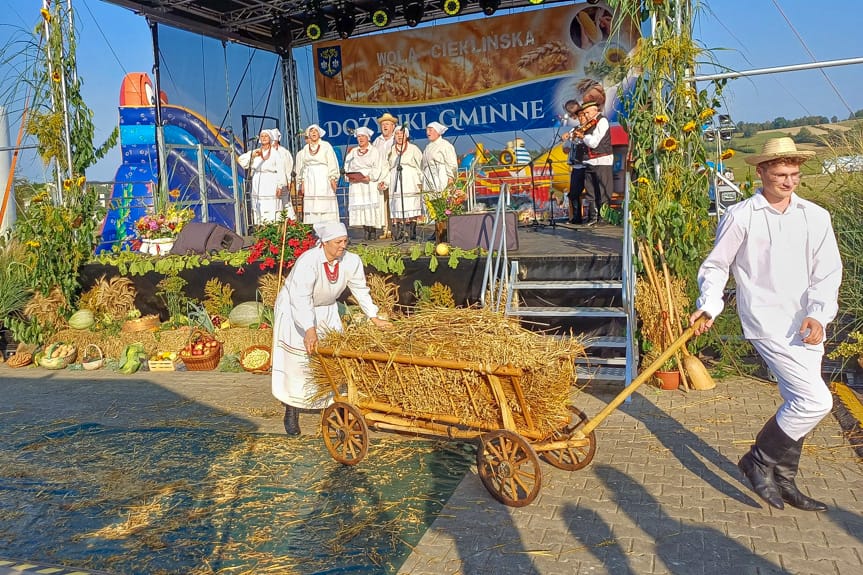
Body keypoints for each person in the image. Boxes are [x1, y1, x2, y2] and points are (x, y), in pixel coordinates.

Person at [689, 137, 842, 512]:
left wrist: (819, 313)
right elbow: (716, 266)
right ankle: (758, 461)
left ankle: (785, 479)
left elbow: (828, 272)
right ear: (760, 173)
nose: (788, 182)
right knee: (816, 400)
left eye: (794, 175)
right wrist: (709, 305)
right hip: (767, 321)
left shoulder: (815, 216)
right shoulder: (742, 216)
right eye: (780, 175)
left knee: (798, 401)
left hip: (807, 325)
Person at [271, 221, 392, 435]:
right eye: (338, 242)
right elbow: (301, 298)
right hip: (295, 310)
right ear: (325, 243)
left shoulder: (351, 261)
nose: (342, 246)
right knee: (300, 361)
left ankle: (335, 410)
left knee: (333, 359)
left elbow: (360, 289)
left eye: (345, 241)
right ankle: (292, 409)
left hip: (326, 309)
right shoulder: (308, 261)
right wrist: (309, 329)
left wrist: (374, 316)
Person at [237, 129, 295, 225]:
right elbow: (241, 161)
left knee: (271, 206)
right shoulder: (255, 152)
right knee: (260, 206)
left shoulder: (275, 153)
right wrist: (252, 156)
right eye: (262, 136)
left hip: (271, 180)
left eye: (266, 136)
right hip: (258, 181)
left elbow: (280, 170)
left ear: (270, 138)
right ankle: (261, 227)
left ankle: (273, 228)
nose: (263, 138)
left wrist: (280, 186)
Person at [344, 126, 387, 241]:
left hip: (369, 183)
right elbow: (346, 167)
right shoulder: (353, 152)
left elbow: (378, 167)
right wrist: (349, 176)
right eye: (358, 137)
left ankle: (372, 231)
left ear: (368, 137)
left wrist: (370, 177)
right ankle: (365, 230)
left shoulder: (374, 151)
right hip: (357, 184)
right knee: (361, 206)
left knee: (370, 205)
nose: (360, 139)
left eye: (363, 136)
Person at [383, 126, 423, 241]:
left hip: (410, 178)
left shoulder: (414, 149)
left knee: (410, 202)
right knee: (397, 203)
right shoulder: (391, 150)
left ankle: (412, 230)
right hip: (395, 178)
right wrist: (385, 181)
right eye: (397, 134)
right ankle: (399, 229)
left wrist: (420, 181)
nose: (400, 136)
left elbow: (420, 165)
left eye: (402, 134)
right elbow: (387, 167)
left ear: (407, 136)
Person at [576, 100, 612, 226]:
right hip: (589, 161)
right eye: (584, 113)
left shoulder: (602, 121)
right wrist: (574, 137)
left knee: (603, 190)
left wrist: (582, 136)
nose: (585, 116)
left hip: (602, 160)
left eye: (587, 113)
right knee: (590, 191)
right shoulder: (587, 124)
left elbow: (594, 142)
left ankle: (604, 218)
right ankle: (593, 217)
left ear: (595, 110)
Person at [295, 124, 341, 224]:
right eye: (311, 131)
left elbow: (332, 162)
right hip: (310, 179)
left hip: (323, 177)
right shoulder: (305, 149)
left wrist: (333, 178)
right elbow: (302, 168)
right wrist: (301, 182)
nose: (314, 133)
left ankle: (329, 226)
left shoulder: (326, 146)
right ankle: (314, 228)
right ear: (308, 134)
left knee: (324, 202)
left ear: (319, 133)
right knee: (312, 203)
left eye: (316, 131)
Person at [561, 99, 587, 224]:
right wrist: (566, 141)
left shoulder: (590, 129)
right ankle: (576, 218)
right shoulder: (573, 130)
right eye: (579, 117)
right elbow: (565, 148)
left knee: (592, 193)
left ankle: (595, 217)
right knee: (573, 193)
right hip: (576, 166)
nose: (581, 119)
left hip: (588, 165)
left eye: (583, 116)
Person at [373, 113, 399, 239]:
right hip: (381, 175)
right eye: (383, 124)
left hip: (393, 173)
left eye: (387, 124)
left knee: (395, 200)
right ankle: (386, 228)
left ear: (393, 126)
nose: (385, 127)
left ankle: (396, 228)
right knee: (383, 203)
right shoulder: (377, 141)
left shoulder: (396, 138)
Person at [421, 121, 458, 196]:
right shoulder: (427, 147)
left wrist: (450, 178)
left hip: (440, 174)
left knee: (440, 196)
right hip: (428, 175)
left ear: (437, 132)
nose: (428, 133)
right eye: (427, 130)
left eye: (430, 130)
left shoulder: (445, 145)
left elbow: (451, 163)